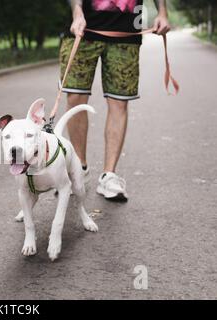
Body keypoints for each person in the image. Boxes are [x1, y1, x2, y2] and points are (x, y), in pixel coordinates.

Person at [62, 0, 171, 202]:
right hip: (82, 28)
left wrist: (162, 11)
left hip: (126, 32)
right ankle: (79, 169)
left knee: (119, 102)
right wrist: (77, 11)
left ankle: (108, 176)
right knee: (75, 97)